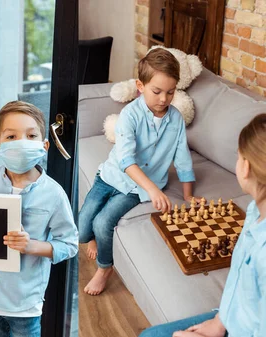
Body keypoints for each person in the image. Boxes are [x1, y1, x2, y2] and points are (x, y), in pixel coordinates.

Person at [0, 101, 78, 337]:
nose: (22, 142)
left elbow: (70, 244)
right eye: (11, 136)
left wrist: (30, 245)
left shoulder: (54, 194)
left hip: (24, 303)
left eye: (31, 135)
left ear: (44, 146)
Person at [79, 48, 197, 295]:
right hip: (112, 176)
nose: (164, 99)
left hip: (138, 187)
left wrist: (187, 195)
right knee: (82, 228)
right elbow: (125, 160)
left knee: (103, 222)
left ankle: (105, 268)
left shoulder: (175, 119)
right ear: (140, 86)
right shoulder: (129, 115)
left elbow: (183, 158)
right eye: (157, 91)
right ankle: (92, 239)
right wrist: (154, 190)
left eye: (170, 92)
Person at [139, 113, 266, 337]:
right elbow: (238, 278)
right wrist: (220, 321)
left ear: (245, 167)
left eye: (237, 157)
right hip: (231, 319)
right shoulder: (256, 210)